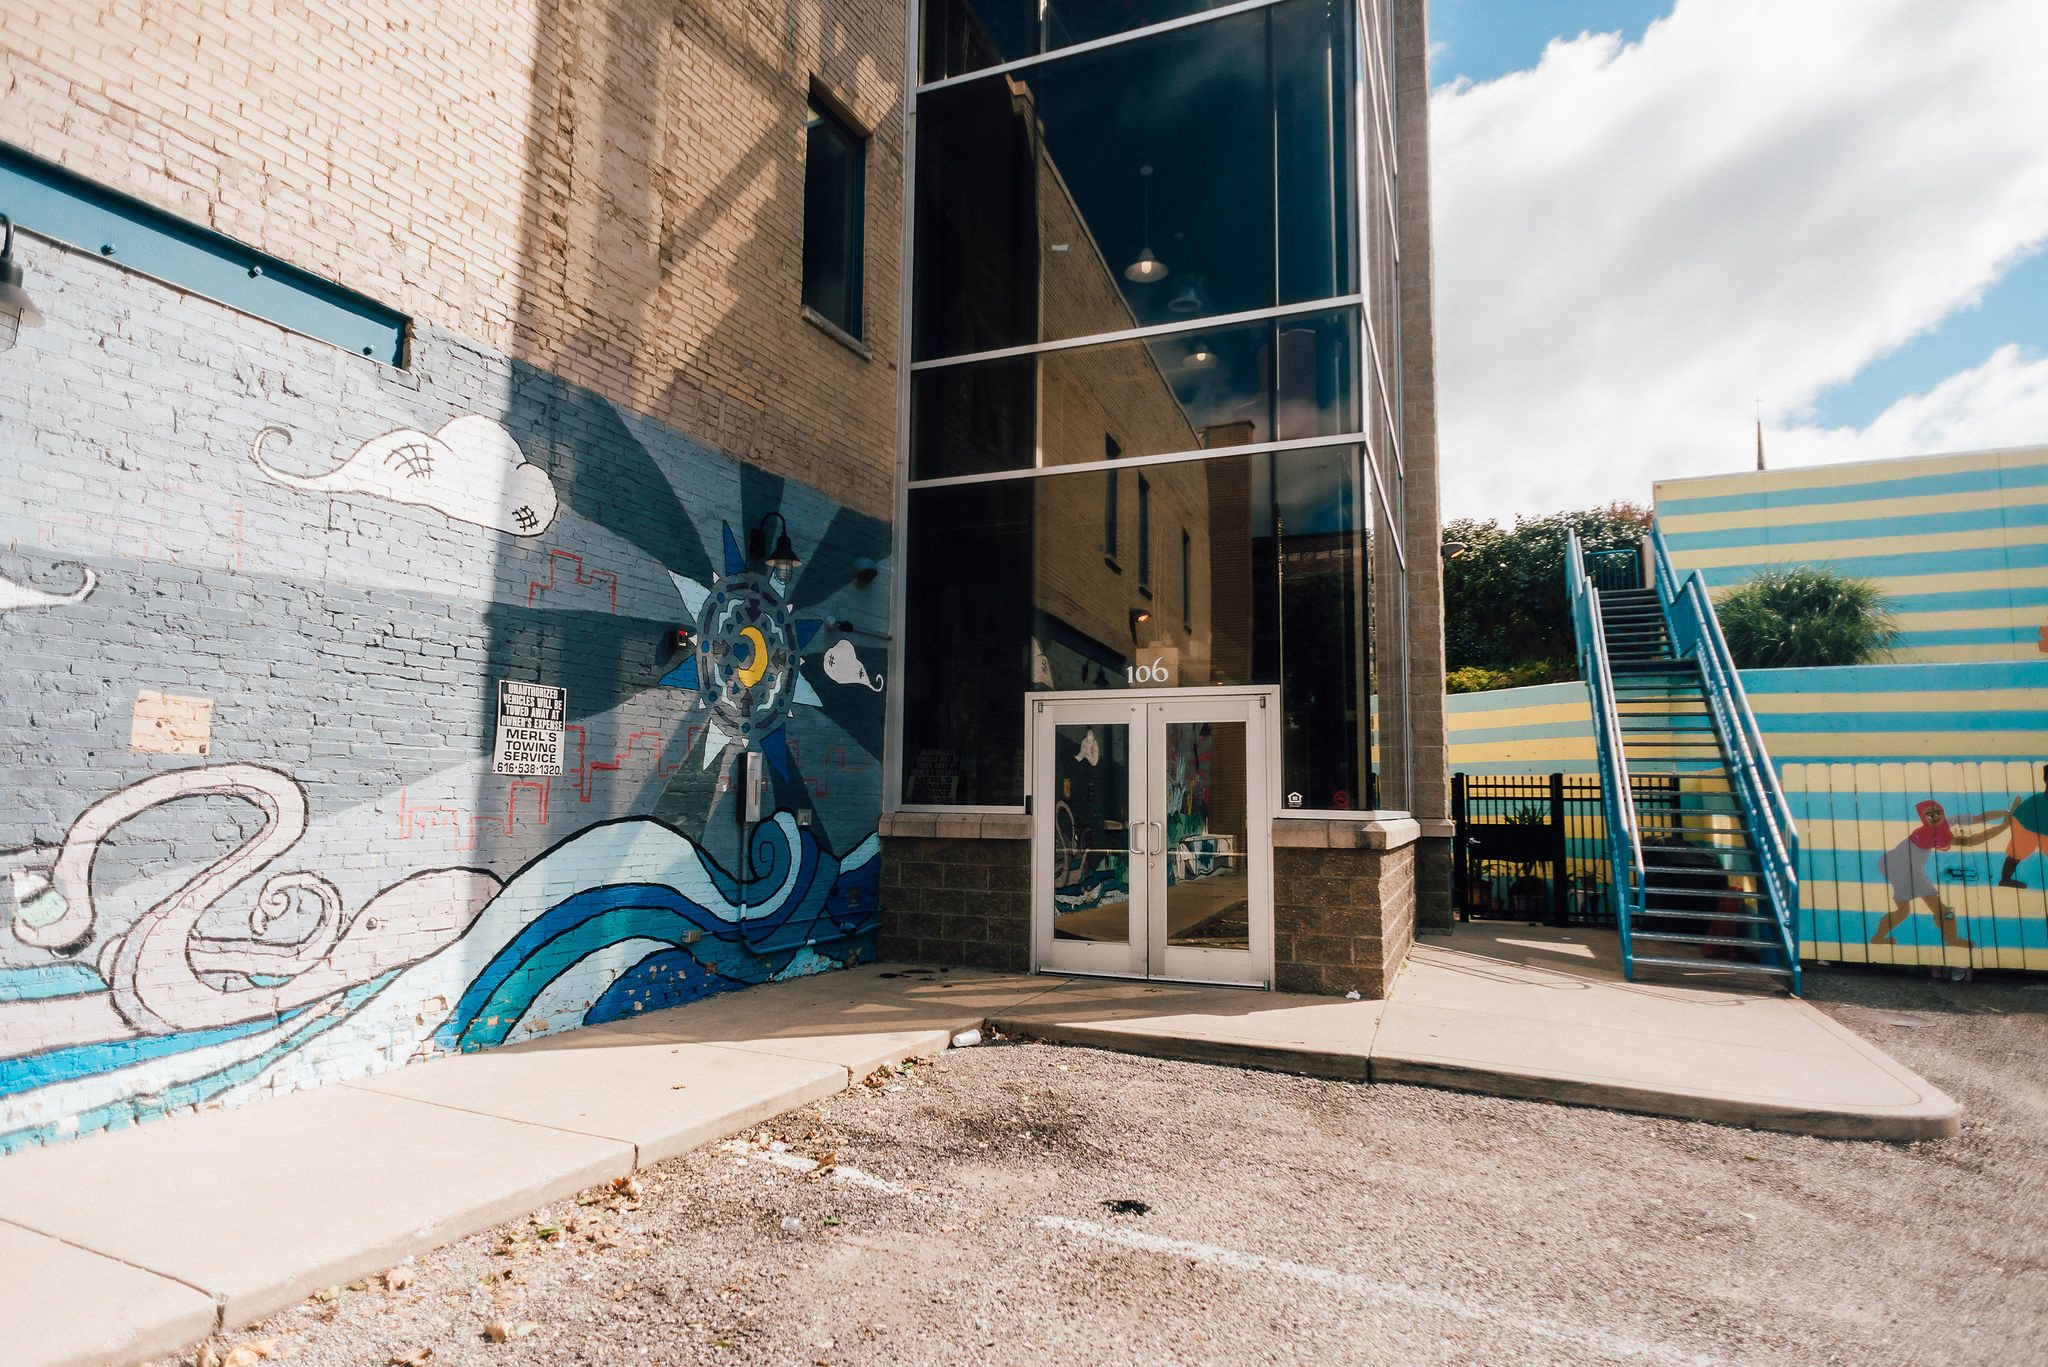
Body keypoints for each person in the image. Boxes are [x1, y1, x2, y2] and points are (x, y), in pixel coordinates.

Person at [1870, 799, 2002, 949]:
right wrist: (2003, 827)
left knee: (1905, 910)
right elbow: (1970, 840)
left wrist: (2006, 813)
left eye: (1937, 812)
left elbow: (1978, 818)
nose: (1934, 816)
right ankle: (1951, 939)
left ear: (1942, 812)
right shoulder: (1930, 834)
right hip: (1902, 869)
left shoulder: (1946, 823)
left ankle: (1878, 937)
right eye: (1929, 814)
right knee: (1940, 910)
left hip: (1896, 864)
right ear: (1923, 818)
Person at [1992, 764, 2048, 890]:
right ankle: (2005, 880)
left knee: (2016, 854)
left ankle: (2005, 880)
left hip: (2039, 828)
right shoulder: (2038, 799)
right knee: (2016, 854)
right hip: (2025, 826)